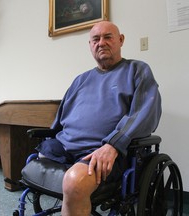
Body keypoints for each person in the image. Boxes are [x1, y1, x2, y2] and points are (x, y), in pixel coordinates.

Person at [36, 21, 162, 216]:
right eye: (95, 39)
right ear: (90, 45)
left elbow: (144, 112)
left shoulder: (137, 70)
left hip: (101, 151)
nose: (101, 43)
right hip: (66, 147)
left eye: (107, 37)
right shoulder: (80, 79)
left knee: (74, 182)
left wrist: (113, 144)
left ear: (120, 40)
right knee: (38, 156)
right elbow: (61, 119)